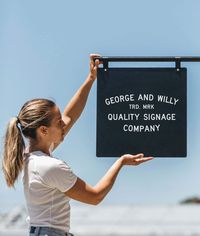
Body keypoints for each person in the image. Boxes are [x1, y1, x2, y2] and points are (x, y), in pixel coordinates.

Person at [1, 54, 153, 236]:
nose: (63, 124)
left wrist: (90, 79)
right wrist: (120, 162)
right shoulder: (49, 166)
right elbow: (95, 196)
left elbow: (70, 117)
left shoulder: (31, 156)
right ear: (43, 130)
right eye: (58, 123)